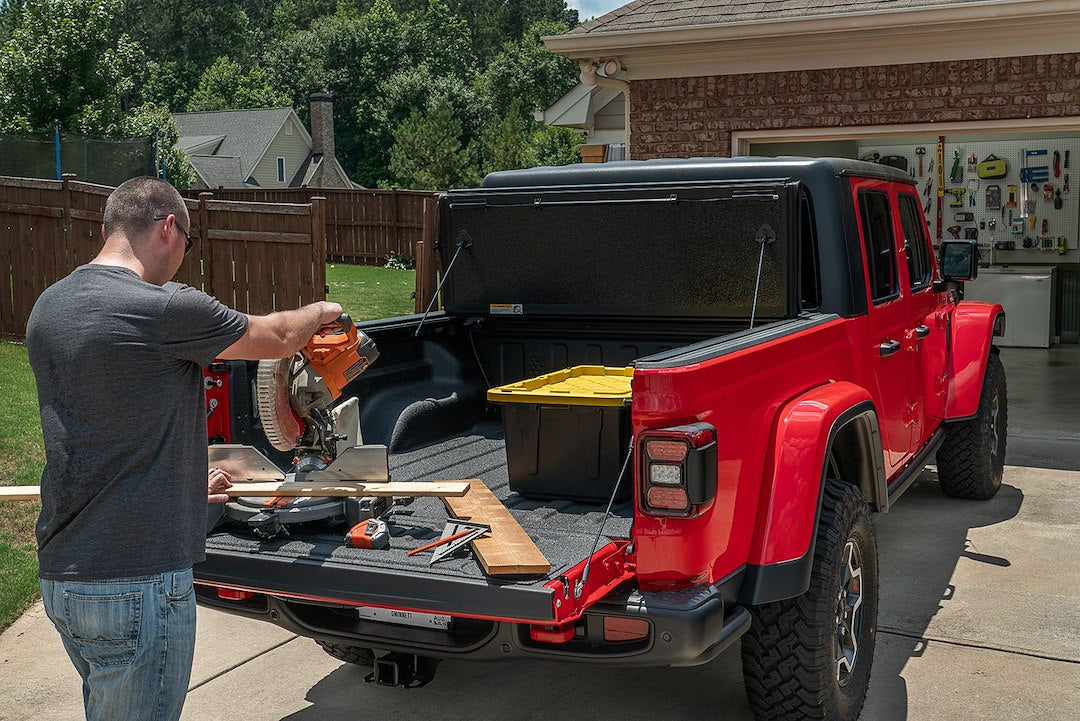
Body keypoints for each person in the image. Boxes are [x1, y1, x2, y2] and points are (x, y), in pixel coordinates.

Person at [25, 176, 342, 721]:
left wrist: (189, 484)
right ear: (169, 227)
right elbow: (278, 337)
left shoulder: (49, 309)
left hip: (65, 576)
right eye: (187, 245)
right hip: (138, 583)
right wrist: (321, 310)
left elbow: (107, 425)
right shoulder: (163, 309)